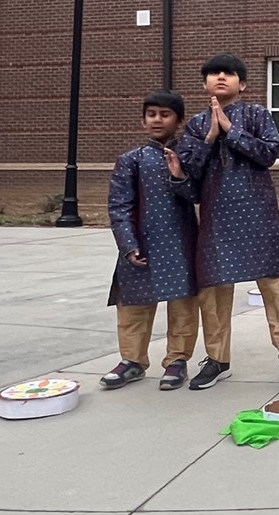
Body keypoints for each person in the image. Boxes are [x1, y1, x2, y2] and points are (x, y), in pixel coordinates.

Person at [176, 53, 279, 390]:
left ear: (241, 83)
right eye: (213, 73)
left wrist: (230, 131)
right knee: (214, 291)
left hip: (258, 214)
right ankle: (217, 358)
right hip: (216, 219)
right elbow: (189, 175)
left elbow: (269, 154)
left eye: (228, 73)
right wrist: (211, 137)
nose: (220, 78)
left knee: (275, 286)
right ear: (204, 83)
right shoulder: (197, 125)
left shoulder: (257, 114)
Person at [102, 90, 201, 390]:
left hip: (181, 243)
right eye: (151, 114)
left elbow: (198, 195)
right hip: (140, 245)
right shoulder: (131, 160)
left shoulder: (190, 157)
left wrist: (179, 175)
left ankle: (177, 360)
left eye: (165, 114)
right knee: (133, 305)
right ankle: (132, 361)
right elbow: (119, 205)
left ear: (179, 120)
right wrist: (128, 244)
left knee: (183, 304)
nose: (157, 120)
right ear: (144, 120)